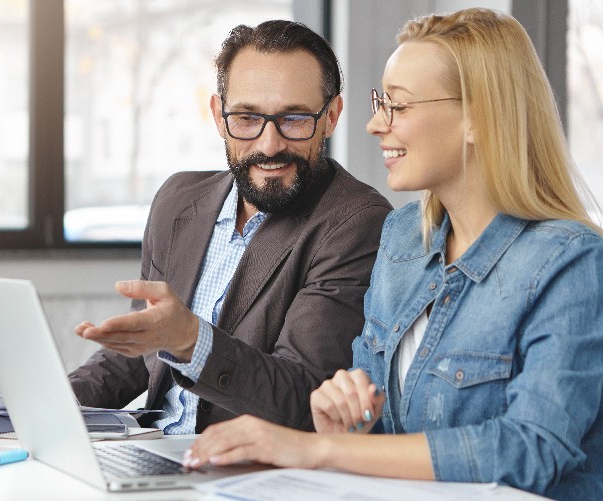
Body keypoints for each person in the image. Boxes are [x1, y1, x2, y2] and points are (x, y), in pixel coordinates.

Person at [184, 8, 603, 499]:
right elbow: (381, 431)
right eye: (380, 102)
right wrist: (344, 421)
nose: (374, 125)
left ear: (480, 117)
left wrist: (314, 449)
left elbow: (531, 450)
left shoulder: (572, 263)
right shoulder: (405, 237)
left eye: (398, 107)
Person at [70, 20, 392, 434]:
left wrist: (191, 340)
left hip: (243, 469)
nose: (269, 144)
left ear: (330, 117)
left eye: (293, 119)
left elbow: (304, 395)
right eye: (246, 118)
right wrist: (51, 407)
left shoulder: (355, 221)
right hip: (151, 448)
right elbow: (140, 354)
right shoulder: (177, 199)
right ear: (219, 117)